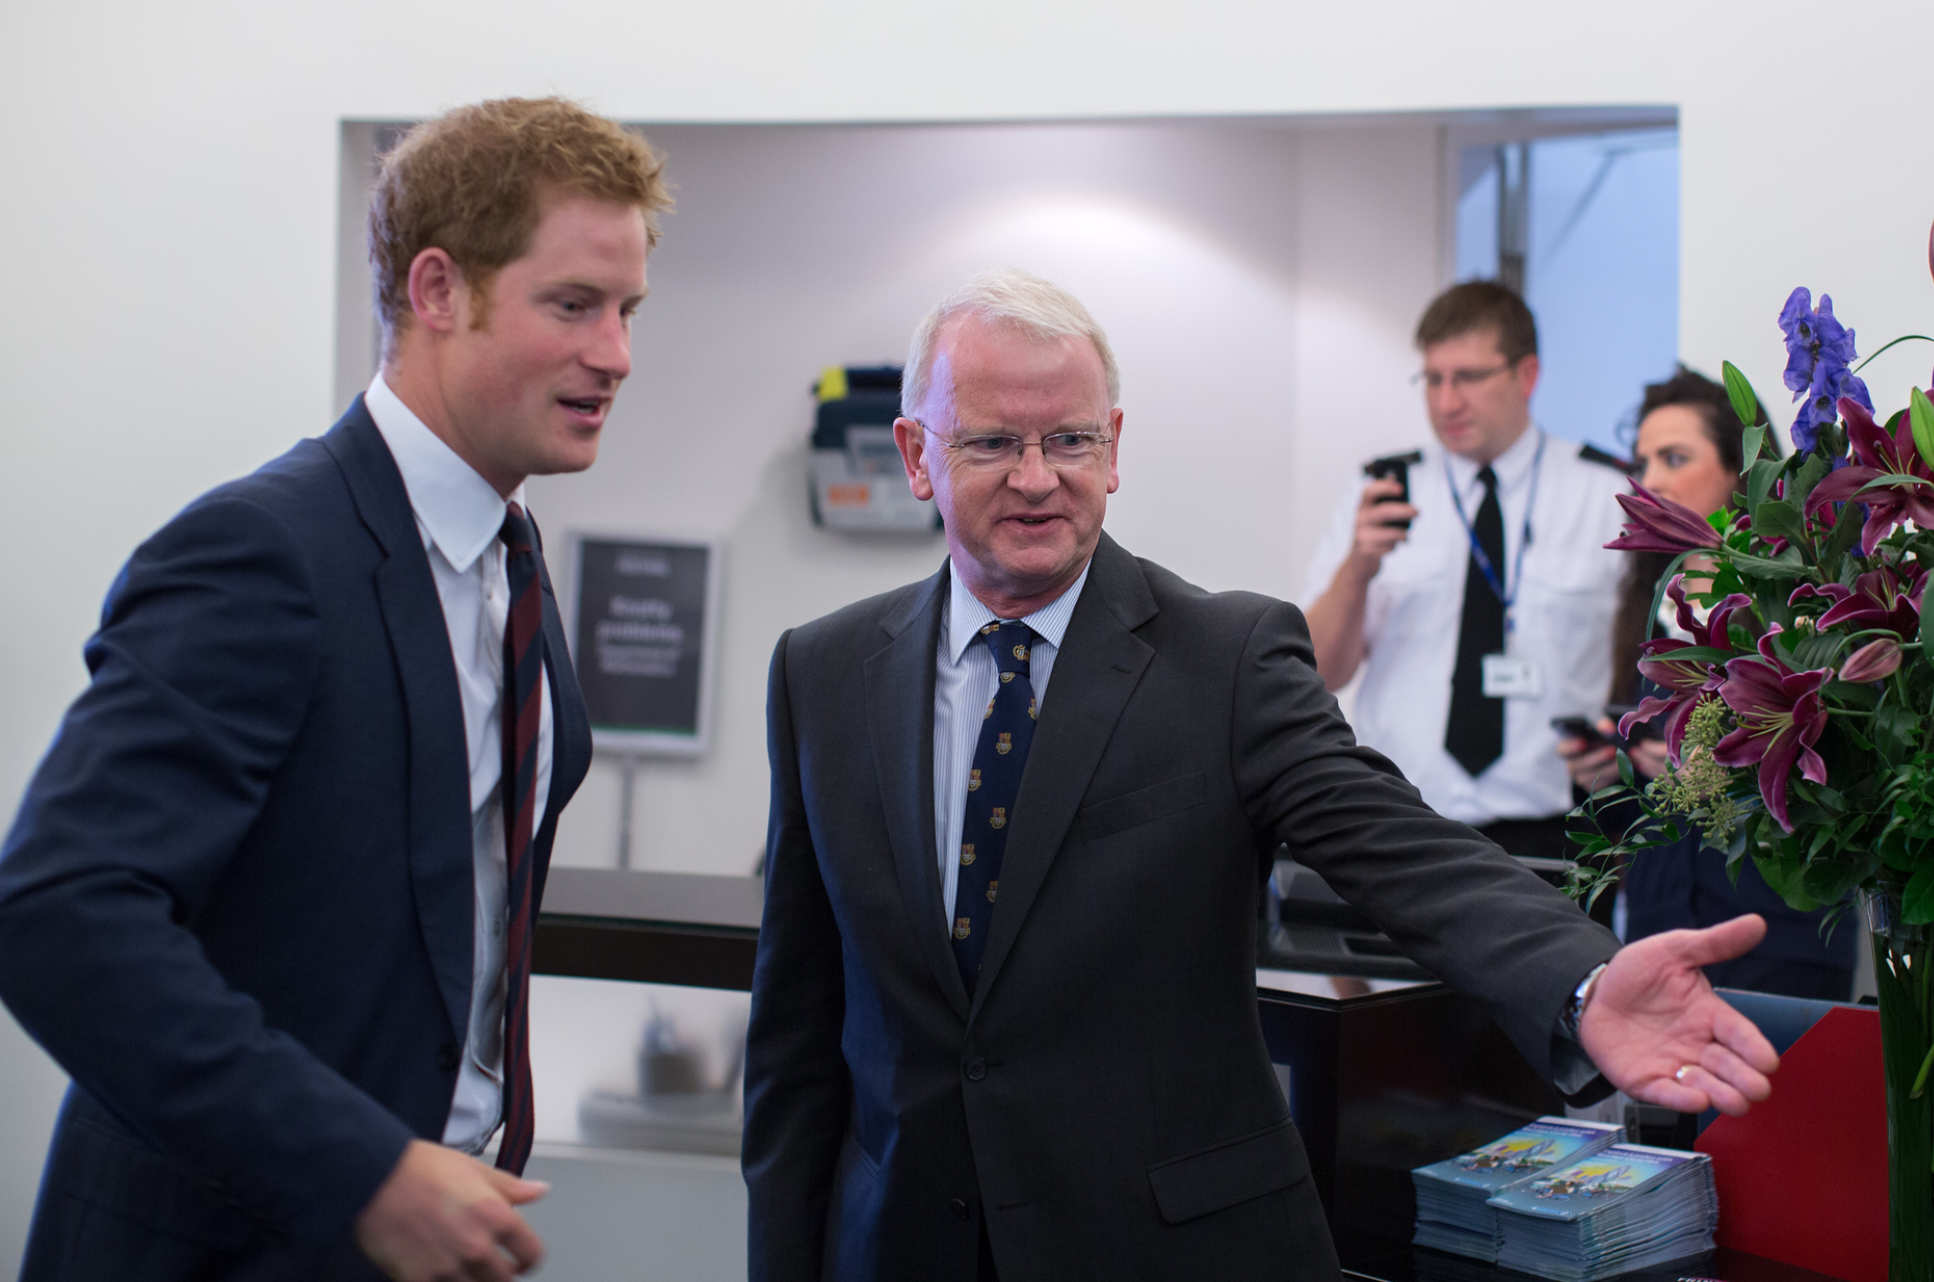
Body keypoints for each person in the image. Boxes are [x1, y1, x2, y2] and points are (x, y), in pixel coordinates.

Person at [740, 269, 1779, 1282]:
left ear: (1114, 447)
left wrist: (1580, 981)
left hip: (1161, 1249)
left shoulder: (1222, 660)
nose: (1037, 476)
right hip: (898, 1247)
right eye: (993, 442)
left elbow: (1397, 847)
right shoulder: (822, 674)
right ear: (917, 455)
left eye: (1070, 439)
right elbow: (796, 1039)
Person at [0, 97, 671, 1282]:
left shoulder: (507, 559)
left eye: (627, 311)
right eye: (572, 305)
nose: (615, 354)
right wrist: (363, 1169)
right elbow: (57, 910)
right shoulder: (265, 552)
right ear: (436, 289)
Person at [1302, 281, 1629, 863]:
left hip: (1558, 829)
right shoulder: (1384, 489)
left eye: (1469, 378)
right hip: (1399, 820)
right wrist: (1358, 569)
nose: (1446, 402)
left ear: (1527, 375)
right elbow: (1319, 672)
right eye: (1433, 379)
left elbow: (1649, 659)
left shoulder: (1606, 495)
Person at [1558, 366, 1857, 1000]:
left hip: (1775, 933)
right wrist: (1608, 774)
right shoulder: (1647, 608)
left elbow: (1845, 766)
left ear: (1739, 471)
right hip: (1659, 929)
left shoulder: (1801, 598)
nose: (1651, 481)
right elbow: (1645, 809)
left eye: (1674, 458)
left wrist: (1723, 765)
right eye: (1643, 462)